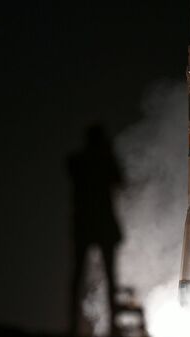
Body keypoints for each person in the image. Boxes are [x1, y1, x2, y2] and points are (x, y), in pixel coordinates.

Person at [68, 124, 124, 336]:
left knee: (78, 277)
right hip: (101, 224)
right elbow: (119, 180)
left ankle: (74, 324)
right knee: (109, 277)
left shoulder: (78, 161)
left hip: (85, 224)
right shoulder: (99, 162)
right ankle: (112, 326)